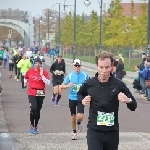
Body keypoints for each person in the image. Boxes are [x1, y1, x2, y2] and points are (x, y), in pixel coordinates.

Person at [77, 52, 137, 150]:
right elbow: (79, 95)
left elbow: (133, 105)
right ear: (96, 66)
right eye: (101, 67)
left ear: (111, 67)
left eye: (107, 67)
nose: (104, 71)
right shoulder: (89, 83)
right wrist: (82, 100)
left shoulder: (119, 84)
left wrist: (128, 100)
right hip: (94, 131)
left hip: (112, 132)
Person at [60, 59, 89, 140]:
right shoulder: (70, 75)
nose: (77, 67)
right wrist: (67, 86)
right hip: (72, 98)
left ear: (80, 66)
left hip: (81, 98)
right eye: (76, 66)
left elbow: (90, 84)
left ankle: (79, 122)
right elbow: (62, 86)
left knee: (79, 116)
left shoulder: (85, 75)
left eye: (78, 66)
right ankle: (74, 132)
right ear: (73, 66)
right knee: (73, 117)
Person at [24, 57, 50, 134]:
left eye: (39, 63)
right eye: (36, 63)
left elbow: (48, 83)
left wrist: (42, 76)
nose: (37, 64)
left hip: (40, 92)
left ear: (41, 64)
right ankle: (31, 125)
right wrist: (25, 82)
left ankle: (36, 126)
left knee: (38, 109)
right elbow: (25, 77)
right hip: (32, 91)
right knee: (33, 108)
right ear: (34, 64)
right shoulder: (30, 71)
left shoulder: (44, 72)